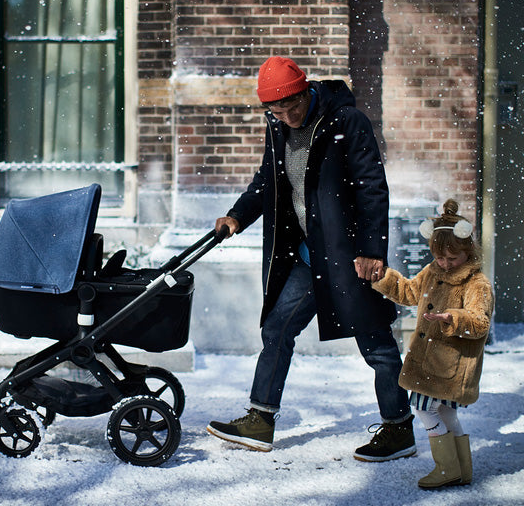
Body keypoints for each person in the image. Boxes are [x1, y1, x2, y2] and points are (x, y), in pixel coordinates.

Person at [206, 56, 415, 461]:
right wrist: (237, 215)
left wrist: (372, 251)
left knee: (376, 343)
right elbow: (267, 180)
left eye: (292, 107)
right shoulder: (278, 127)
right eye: (277, 111)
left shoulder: (346, 122)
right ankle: (261, 419)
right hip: (305, 254)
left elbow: (373, 187)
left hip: (348, 254)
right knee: (277, 328)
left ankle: (398, 428)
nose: (287, 117)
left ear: (306, 91)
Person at [371, 199, 494, 488]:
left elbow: (480, 323)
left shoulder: (477, 283)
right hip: (428, 360)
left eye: (452, 259)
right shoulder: (432, 272)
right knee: (445, 412)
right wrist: (384, 279)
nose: (445, 264)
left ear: (468, 250)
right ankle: (462, 469)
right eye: (440, 258)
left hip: (448, 363)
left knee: (425, 409)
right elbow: (410, 292)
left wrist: (453, 318)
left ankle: (446, 467)